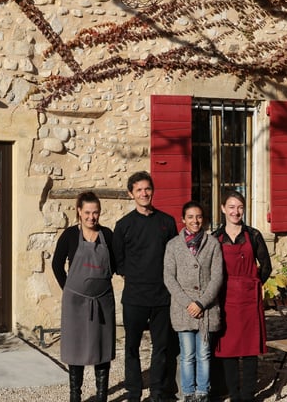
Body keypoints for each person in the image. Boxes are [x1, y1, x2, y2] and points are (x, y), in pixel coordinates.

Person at [114, 171, 179, 402]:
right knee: (131, 347)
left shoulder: (167, 222)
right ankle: (133, 392)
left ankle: (157, 392)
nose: (144, 193)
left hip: (163, 298)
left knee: (161, 348)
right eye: (139, 190)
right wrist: (134, 275)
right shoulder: (123, 225)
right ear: (131, 193)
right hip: (134, 297)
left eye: (147, 188)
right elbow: (118, 260)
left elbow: (174, 256)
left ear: (153, 190)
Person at [52, 191, 116, 402]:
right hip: (75, 303)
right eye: (87, 212)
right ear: (79, 211)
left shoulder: (107, 234)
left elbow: (114, 264)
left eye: (95, 212)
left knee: (103, 346)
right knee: (75, 347)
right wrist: (69, 288)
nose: (91, 217)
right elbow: (56, 265)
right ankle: (75, 395)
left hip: (103, 301)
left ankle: (101, 395)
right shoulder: (70, 235)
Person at [212, 191, 272, 402]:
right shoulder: (215, 238)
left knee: (249, 349)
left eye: (239, 207)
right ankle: (234, 395)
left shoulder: (253, 235)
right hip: (226, 298)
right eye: (231, 207)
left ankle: (248, 395)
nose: (235, 211)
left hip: (248, 299)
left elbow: (266, 265)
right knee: (228, 350)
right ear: (223, 209)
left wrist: (253, 284)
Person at [164, 201, 224, 402]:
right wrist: (188, 303)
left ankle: (202, 392)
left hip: (206, 309)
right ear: (183, 220)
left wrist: (201, 303)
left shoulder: (213, 244)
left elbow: (217, 277)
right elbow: (169, 278)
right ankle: (188, 392)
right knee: (187, 353)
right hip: (183, 309)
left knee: (204, 353)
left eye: (198, 216)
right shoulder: (173, 245)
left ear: (203, 219)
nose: (195, 221)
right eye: (190, 217)